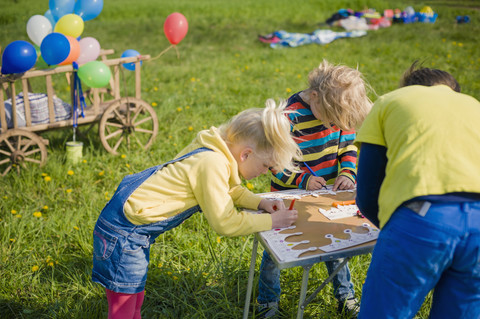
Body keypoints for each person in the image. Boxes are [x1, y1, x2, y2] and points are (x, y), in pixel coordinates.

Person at [91, 99, 304, 319]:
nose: (265, 172)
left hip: (131, 227)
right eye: (266, 166)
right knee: (122, 307)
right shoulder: (212, 164)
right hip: (124, 231)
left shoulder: (216, 151)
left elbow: (229, 189)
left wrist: (260, 203)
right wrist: (272, 222)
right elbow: (225, 222)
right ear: (245, 155)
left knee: (134, 294)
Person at [355, 62, 480, 319]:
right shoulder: (474, 106)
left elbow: (367, 192)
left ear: (410, 89)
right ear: (452, 91)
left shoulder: (390, 101)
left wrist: (392, 227)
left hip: (422, 218)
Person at [257, 60, 373, 318]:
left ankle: (345, 296)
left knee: (335, 244)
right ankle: (267, 302)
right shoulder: (289, 117)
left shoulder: (337, 112)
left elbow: (348, 148)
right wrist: (302, 181)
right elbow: (275, 163)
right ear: (314, 97)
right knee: (275, 249)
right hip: (287, 197)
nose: (334, 125)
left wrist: (346, 172)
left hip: (327, 196)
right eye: (330, 119)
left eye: (339, 122)